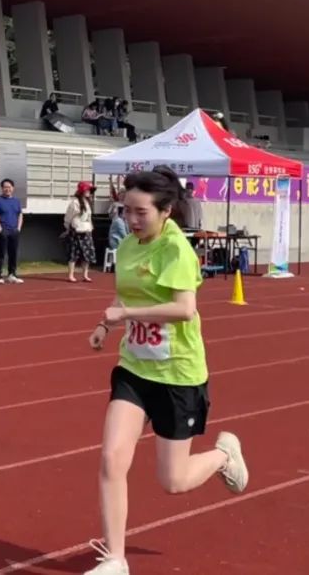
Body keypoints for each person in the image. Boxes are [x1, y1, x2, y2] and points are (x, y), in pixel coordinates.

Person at [83, 167, 249, 575]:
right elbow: (123, 297)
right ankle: (115, 559)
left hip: (178, 375)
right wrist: (105, 325)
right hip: (134, 368)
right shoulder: (127, 246)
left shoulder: (176, 250)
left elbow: (184, 309)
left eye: (141, 212)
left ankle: (224, 455)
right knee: (111, 459)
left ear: (166, 211)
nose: (131, 220)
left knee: (173, 481)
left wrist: (126, 315)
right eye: (126, 210)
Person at [0, 178, 24, 284]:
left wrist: (18, 228)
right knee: (1, 253)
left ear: (13, 188)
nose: (7, 189)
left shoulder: (16, 201)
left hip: (14, 230)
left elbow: (20, 214)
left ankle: (12, 274)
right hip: (3, 230)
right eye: (5, 187)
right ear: (2, 188)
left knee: (13, 253)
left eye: (9, 187)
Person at [64, 180, 96, 282]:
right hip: (76, 231)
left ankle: (85, 274)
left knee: (87, 253)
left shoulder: (87, 203)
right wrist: (68, 227)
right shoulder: (74, 203)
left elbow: (89, 217)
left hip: (86, 230)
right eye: (87, 190)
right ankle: (71, 275)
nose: (89, 192)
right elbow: (68, 217)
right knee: (73, 253)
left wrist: (91, 227)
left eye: (90, 190)